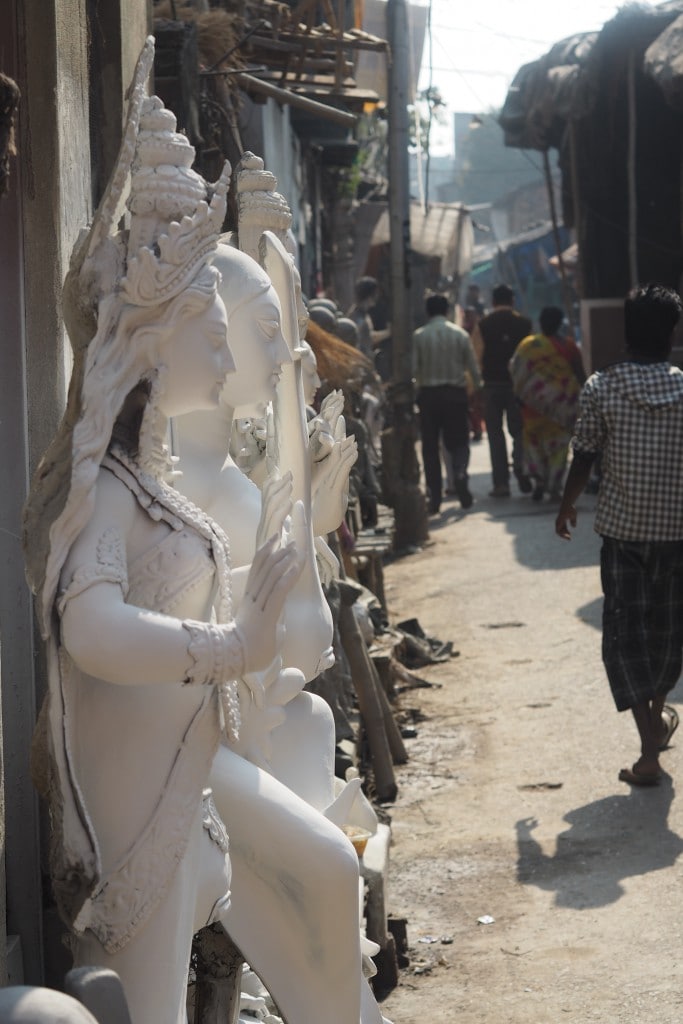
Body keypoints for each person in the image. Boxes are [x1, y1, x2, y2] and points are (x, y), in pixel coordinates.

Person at [22, 74, 301, 1024]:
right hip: (129, 823)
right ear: (156, 337)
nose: (227, 363)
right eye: (214, 335)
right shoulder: (100, 493)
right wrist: (231, 648)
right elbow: (92, 629)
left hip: (178, 799)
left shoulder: (155, 489)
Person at [555, 282, 683, 787]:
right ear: (672, 335)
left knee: (625, 637)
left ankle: (650, 745)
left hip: (623, 535)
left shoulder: (602, 386)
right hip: (676, 534)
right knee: (667, 635)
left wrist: (566, 505)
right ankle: (654, 731)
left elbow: (584, 454)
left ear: (627, 333)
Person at [412, 292, 482, 513]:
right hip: (455, 395)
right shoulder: (460, 335)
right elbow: (473, 368)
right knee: (459, 442)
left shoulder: (419, 336)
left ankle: (435, 497)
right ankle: (460, 472)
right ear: (446, 311)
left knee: (430, 448)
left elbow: (414, 371)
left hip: (429, 397)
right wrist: (477, 392)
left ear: (428, 311)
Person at [510, 306, 585, 501]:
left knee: (535, 445)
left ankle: (540, 482)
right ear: (560, 323)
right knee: (558, 448)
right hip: (561, 409)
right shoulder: (569, 346)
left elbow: (516, 372)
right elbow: (580, 374)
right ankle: (554, 486)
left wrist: (520, 396)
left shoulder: (527, 345)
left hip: (532, 409)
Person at [471, 283, 532, 497]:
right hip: (518, 386)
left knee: (495, 435)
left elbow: (476, 357)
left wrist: (476, 388)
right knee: (519, 431)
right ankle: (520, 467)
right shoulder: (525, 324)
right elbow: (529, 358)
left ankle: (501, 484)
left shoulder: (484, 325)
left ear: (493, 302)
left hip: (492, 385)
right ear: (512, 301)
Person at [347, 275, 379, 359]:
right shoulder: (357, 318)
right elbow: (371, 337)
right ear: (370, 296)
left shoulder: (362, 314)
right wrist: (389, 332)